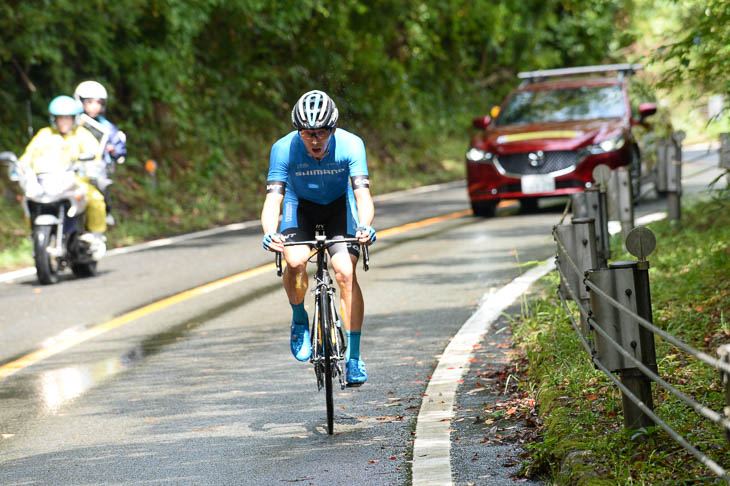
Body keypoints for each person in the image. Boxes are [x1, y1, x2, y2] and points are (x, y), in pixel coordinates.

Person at [261, 90, 376, 386]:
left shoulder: (351, 145)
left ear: (333, 129)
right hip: (300, 208)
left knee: (346, 273)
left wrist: (364, 225)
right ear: (298, 131)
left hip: (340, 207)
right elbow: (274, 200)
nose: (314, 140)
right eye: (307, 133)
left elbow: (362, 196)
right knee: (296, 260)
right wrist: (269, 232)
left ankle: (354, 359)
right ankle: (299, 317)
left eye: (322, 132)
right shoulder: (283, 149)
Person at [18, 95, 107, 259]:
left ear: (74, 119)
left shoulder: (82, 134)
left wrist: (89, 165)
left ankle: (96, 237)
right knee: (30, 199)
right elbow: (29, 155)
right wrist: (20, 168)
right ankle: (35, 234)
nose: (64, 122)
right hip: (46, 181)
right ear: (54, 119)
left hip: (75, 181)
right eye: (60, 118)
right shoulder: (44, 134)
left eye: (68, 118)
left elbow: (95, 154)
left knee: (95, 199)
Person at [74, 80, 127, 226]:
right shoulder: (72, 123)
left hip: (96, 168)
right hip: (74, 167)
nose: (94, 106)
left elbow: (119, 146)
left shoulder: (107, 127)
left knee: (102, 184)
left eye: (98, 102)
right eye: (89, 102)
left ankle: (106, 212)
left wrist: (114, 150)